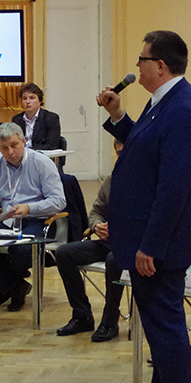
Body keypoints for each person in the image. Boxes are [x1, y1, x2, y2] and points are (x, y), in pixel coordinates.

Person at [96, 30, 191, 383]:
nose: (137, 65)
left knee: (167, 334)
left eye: (142, 59)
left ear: (160, 66)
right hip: (150, 238)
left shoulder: (183, 109)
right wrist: (117, 115)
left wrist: (151, 244)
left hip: (163, 244)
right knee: (159, 330)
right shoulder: (163, 101)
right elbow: (144, 150)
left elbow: (173, 188)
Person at [0, 122, 66, 312]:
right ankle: (15, 286)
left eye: (14, 145)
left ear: (23, 141)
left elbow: (58, 201)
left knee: (20, 250)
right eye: (4, 148)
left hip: (39, 220)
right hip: (8, 221)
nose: (10, 152)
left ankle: (8, 285)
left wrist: (30, 208)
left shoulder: (42, 163)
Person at [53, 140, 126, 342]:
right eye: (119, 153)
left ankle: (110, 321)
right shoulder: (112, 179)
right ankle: (82, 315)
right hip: (109, 241)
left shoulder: (150, 180)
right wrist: (97, 225)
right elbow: (96, 211)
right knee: (64, 253)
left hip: (133, 245)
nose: (122, 157)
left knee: (114, 260)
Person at [11, 83, 61, 151]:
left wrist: (29, 150)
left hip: (41, 155)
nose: (27, 101)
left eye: (32, 98)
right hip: (20, 155)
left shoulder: (51, 118)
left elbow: (51, 145)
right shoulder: (17, 119)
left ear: (40, 101)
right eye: (24, 98)